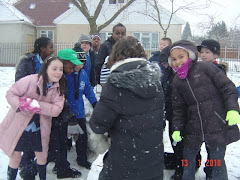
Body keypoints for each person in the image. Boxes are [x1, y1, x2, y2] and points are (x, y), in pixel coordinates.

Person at [89, 36, 165, 180]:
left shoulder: (115, 84)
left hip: (124, 160)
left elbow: (98, 123)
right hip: (152, 157)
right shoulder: (155, 82)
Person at [168, 40, 240, 180]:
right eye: (174, 59)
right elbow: (178, 108)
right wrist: (177, 128)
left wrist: (232, 109)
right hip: (193, 128)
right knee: (187, 162)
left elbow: (228, 88)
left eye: (181, 57)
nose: (177, 62)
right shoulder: (177, 81)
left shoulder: (205, 68)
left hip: (216, 124)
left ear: (190, 55)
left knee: (217, 163)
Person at [0, 56, 65, 180]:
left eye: (61, 69)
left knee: (41, 156)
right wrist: (21, 104)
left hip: (40, 128)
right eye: (54, 68)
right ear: (46, 68)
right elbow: (11, 93)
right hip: (19, 125)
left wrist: (35, 105)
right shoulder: (30, 81)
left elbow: (56, 109)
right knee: (16, 156)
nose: (58, 72)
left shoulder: (58, 88)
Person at [15, 37, 54, 179]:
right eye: (50, 47)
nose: (52, 50)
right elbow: (20, 85)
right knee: (30, 140)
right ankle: (26, 169)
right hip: (29, 109)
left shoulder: (49, 63)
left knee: (40, 140)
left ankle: (36, 166)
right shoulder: (28, 62)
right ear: (42, 48)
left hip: (44, 108)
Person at [47, 48, 83, 179]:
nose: (73, 68)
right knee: (56, 144)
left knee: (61, 143)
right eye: (71, 65)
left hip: (59, 117)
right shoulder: (54, 77)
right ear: (64, 62)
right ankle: (31, 168)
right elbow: (59, 100)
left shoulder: (63, 77)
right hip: (53, 117)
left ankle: (62, 167)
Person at [65, 49, 97, 169]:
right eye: (78, 62)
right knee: (64, 136)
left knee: (81, 136)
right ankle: (60, 157)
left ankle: (82, 158)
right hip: (65, 112)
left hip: (79, 112)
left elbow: (88, 89)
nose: (80, 65)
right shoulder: (65, 75)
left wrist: (94, 102)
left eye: (83, 63)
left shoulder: (83, 73)